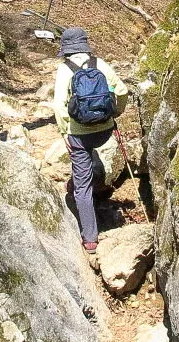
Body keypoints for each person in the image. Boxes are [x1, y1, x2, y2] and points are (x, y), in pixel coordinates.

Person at [52, 27, 128, 252]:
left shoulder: (64, 70)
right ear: (85, 45)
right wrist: (116, 113)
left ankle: (90, 238)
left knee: (82, 186)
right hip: (104, 131)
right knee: (93, 158)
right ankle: (87, 179)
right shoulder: (101, 64)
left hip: (79, 135)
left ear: (66, 49)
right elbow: (122, 91)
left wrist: (64, 132)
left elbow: (59, 106)